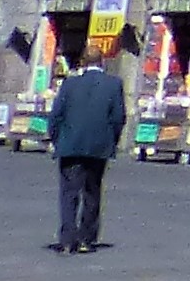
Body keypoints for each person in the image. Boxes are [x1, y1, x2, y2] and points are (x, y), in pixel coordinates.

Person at [48, 30, 131, 254]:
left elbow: (56, 115)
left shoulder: (69, 84)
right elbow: (118, 117)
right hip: (98, 147)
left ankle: (67, 240)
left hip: (70, 146)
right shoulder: (113, 84)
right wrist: (110, 140)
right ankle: (86, 239)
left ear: (82, 62)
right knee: (92, 192)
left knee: (69, 194)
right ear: (102, 62)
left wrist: (57, 139)